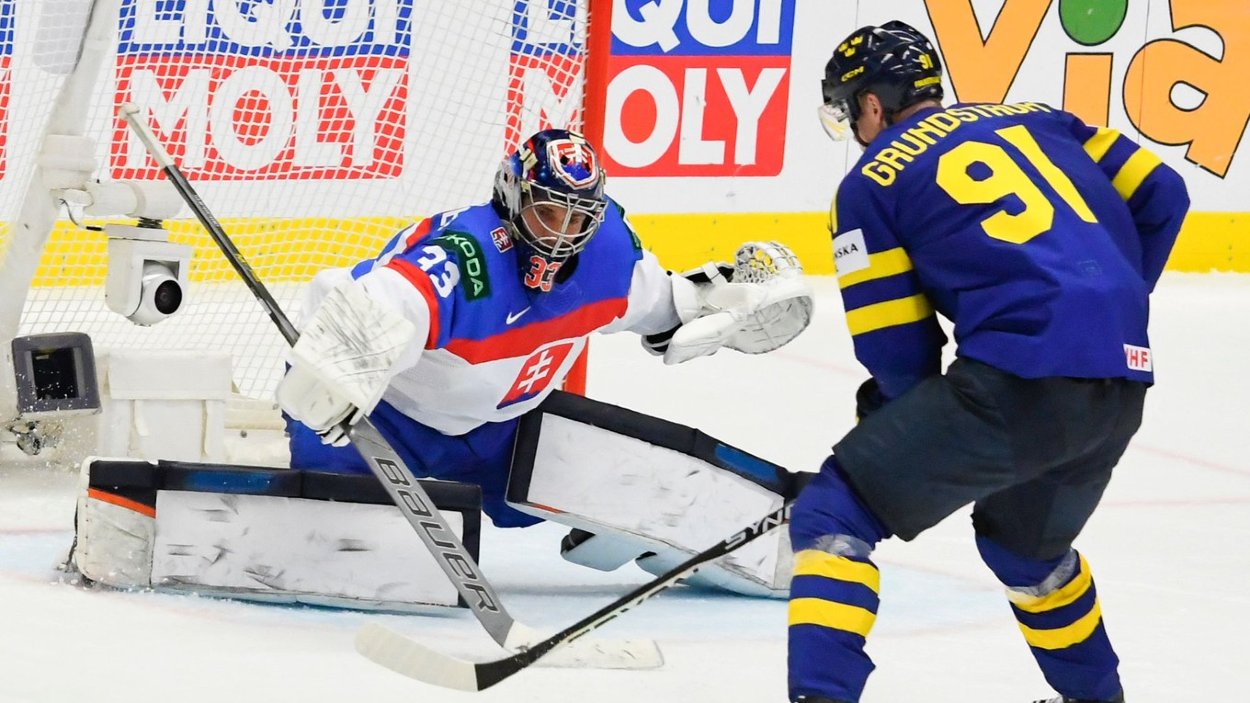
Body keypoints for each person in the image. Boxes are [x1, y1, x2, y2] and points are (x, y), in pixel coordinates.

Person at [789, 21, 1189, 703]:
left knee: (833, 512)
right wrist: (1107, 305)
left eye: (849, 109)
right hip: (1122, 376)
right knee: (1023, 552)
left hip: (1021, 381)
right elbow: (1164, 193)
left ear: (873, 106)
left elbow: (900, 349)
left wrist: (895, 421)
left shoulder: (869, 183)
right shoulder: (1043, 118)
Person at [276, 128, 813, 528]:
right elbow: (354, 297)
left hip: (504, 433)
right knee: (339, 531)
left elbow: (670, 307)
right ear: (512, 199)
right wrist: (334, 376)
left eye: (577, 219)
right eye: (548, 214)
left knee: (622, 484)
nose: (563, 235)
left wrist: (728, 304)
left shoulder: (606, 259)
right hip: (392, 425)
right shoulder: (467, 260)